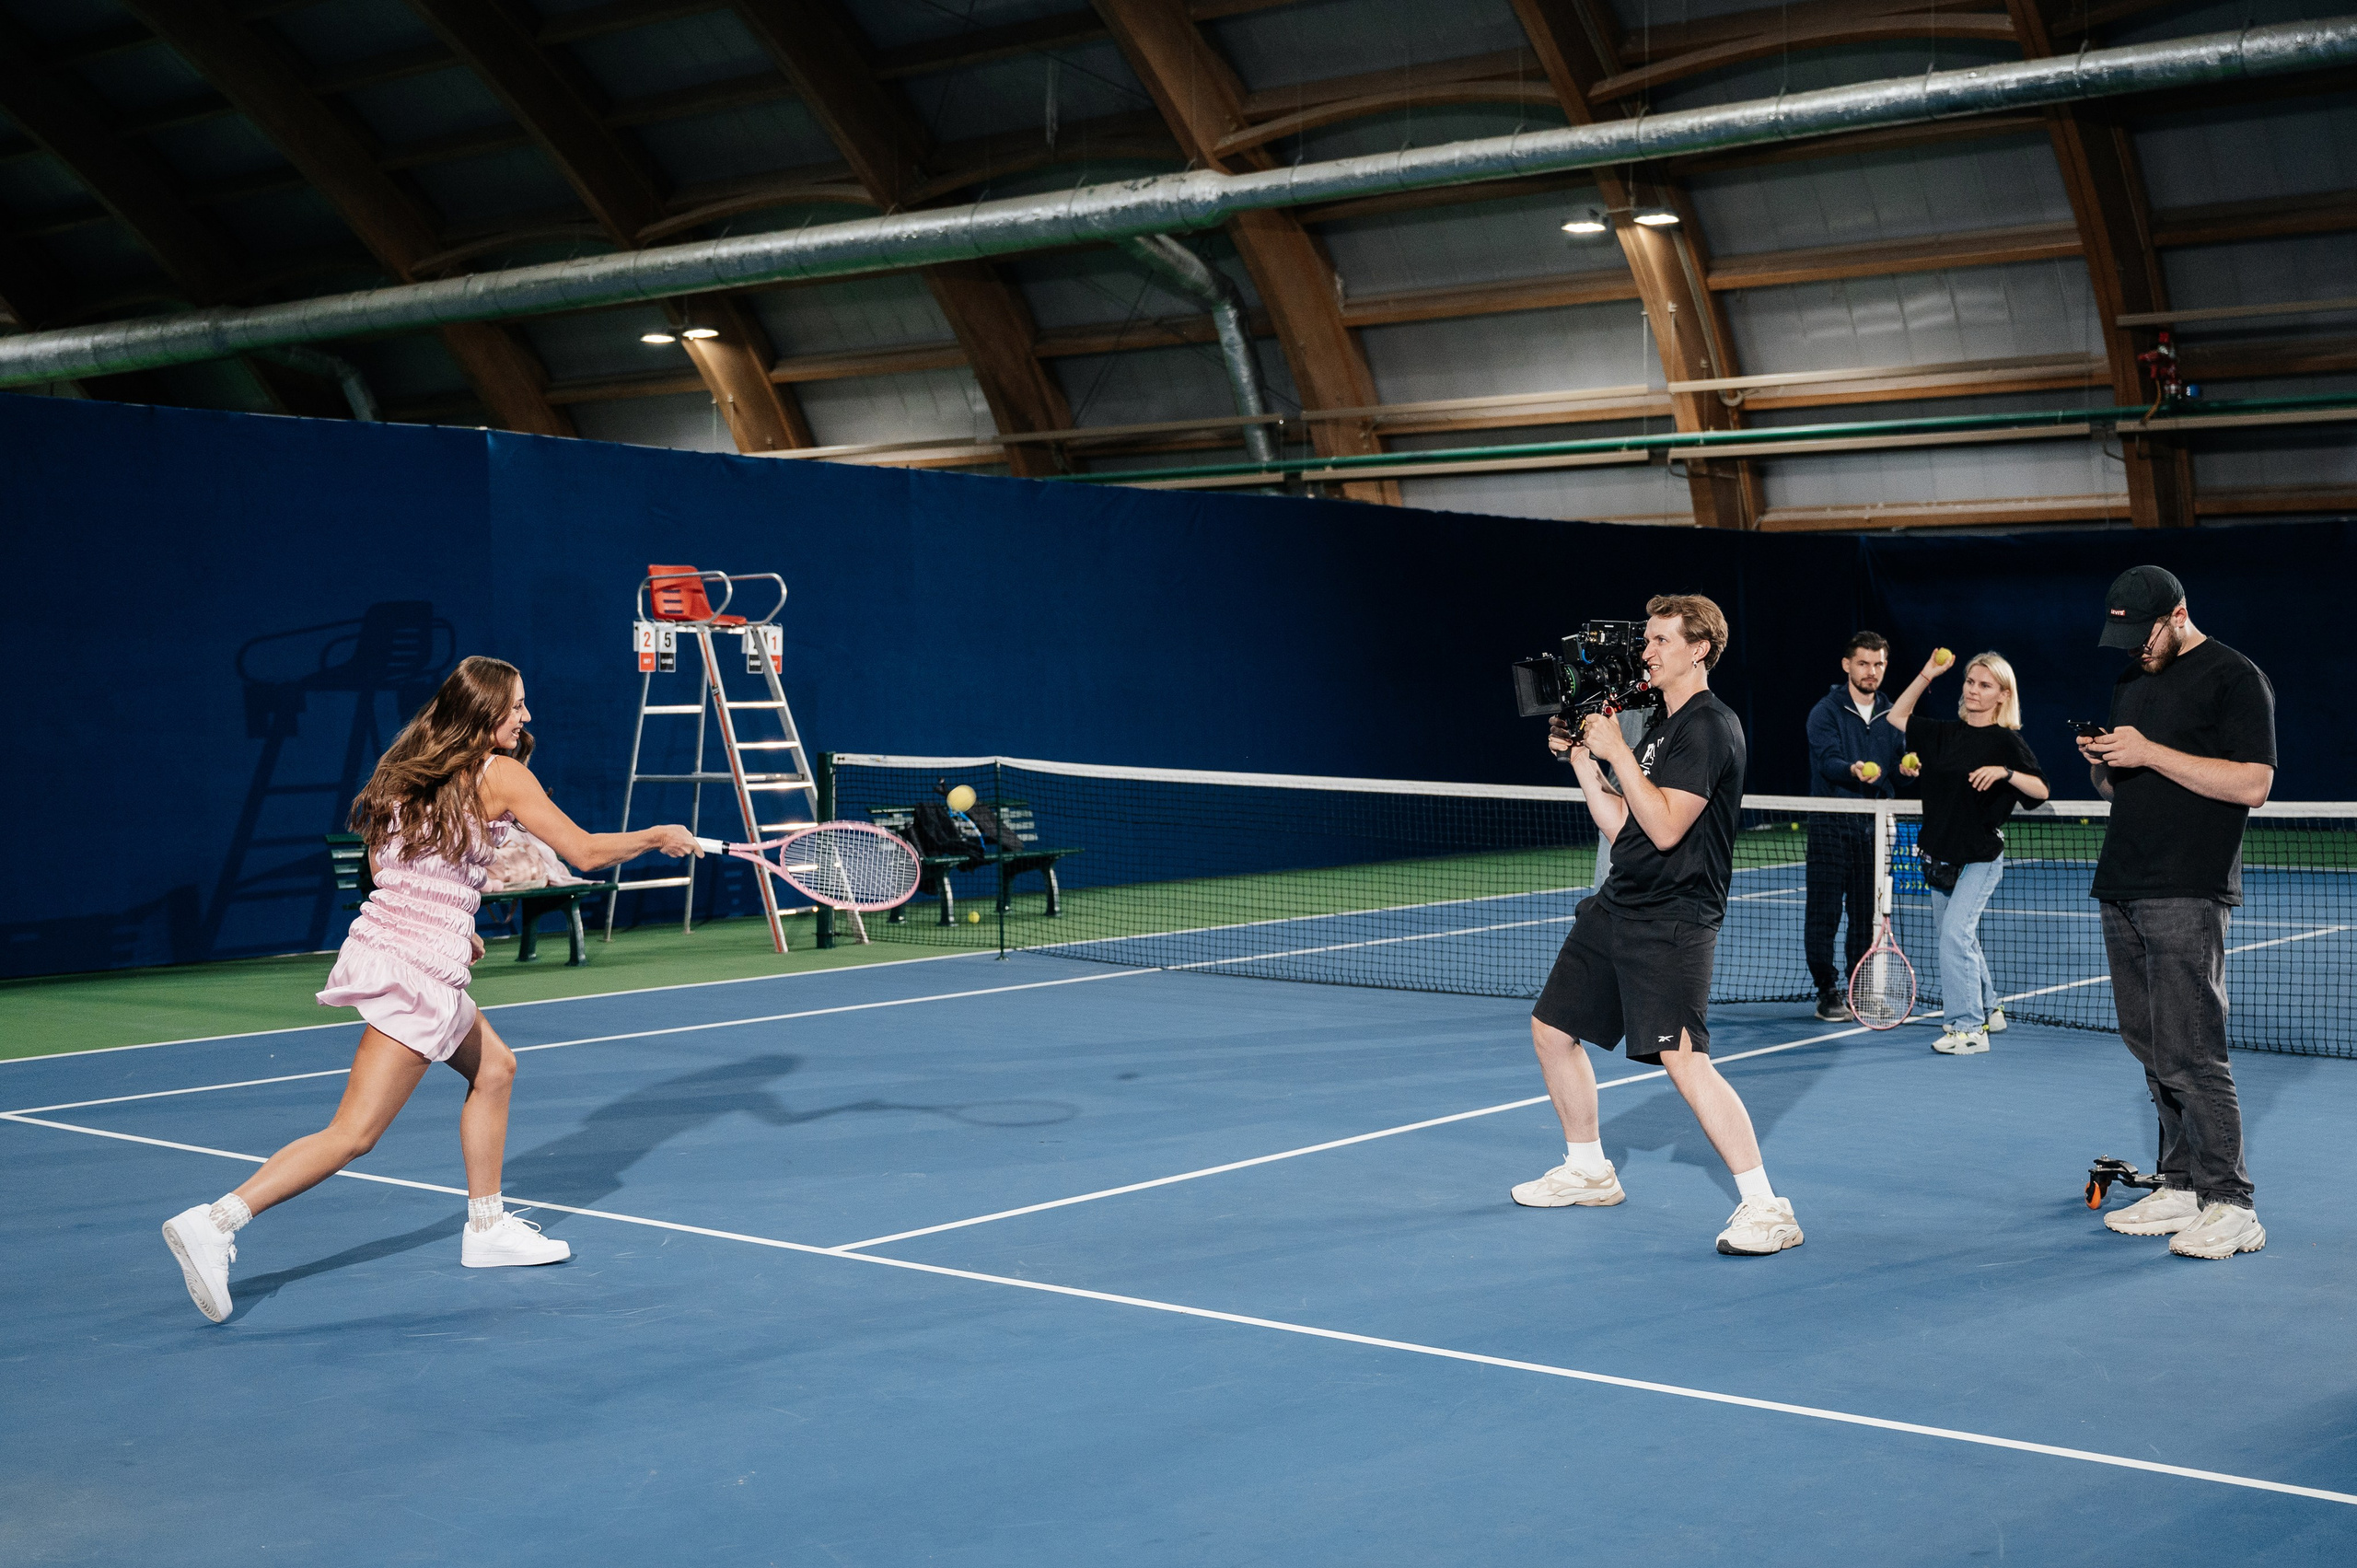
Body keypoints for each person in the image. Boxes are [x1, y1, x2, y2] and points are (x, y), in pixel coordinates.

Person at [160, 656, 700, 1324]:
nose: (526, 717)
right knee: (354, 1133)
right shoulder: (500, 775)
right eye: (517, 706)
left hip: (402, 954)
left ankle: (487, 1227)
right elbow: (584, 853)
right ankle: (217, 1221)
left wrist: (457, 928)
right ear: (483, 713)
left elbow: (398, 869)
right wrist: (657, 835)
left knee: (496, 1067)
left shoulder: (404, 770)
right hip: (415, 972)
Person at [1513, 594, 1802, 1256]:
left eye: (1662, 640)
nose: (1646, 652)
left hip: (1675, 915)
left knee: (1685, 1059)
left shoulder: (1708, 725)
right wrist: (1586, 758)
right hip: (1619, 903)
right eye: (1647, 640)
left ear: (1699, 648)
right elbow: (1622, 825)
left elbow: (1670, 826)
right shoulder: (1660, 728)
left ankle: (1767, 1206)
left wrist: (1614, 751)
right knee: (1553, 1029)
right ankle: (1588, 1167)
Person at [2078, 566, 2275, 1261]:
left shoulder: (2234, 677)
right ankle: (2183, 1182)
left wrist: (2150, 751)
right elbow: (2125, 786)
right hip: (2122, 882)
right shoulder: (2132, 680)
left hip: (2188, 888)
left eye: (2145, 633)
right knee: (2151, 1045)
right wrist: (2105, 761)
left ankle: (2232, 1201)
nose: (2135, 647)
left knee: (2193, 1049)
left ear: (2180, 614)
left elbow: (2254, 783)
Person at [1881, 650, 2049, 1054]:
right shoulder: (1941, 734)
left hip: (1980, 858)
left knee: (1955, 935)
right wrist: (1927, 673)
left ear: (2002, 695)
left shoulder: (2007, 742)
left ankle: (1968, 1028)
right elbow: (1896, 716)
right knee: (1958, 937)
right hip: (1939, 857)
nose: (1974, 690)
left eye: (1985, 685)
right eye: (1970, 682)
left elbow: (2041, 792)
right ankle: (1990, 1008)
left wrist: (2007, 773)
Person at [1804, 632, 1909, 1021]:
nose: (1872, 671)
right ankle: (1827, 991)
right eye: (1863, 663)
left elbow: (1901, 772)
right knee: (1824, 915)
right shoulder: (1825, 712)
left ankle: (1860, 989)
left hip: (1874, 832)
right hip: (1831, 828)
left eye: (1879, 664)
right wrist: (1852, 769)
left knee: (1866, 915)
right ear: (1847, 665)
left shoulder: (1892, 714)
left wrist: (1907, 770)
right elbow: (1828, 762)